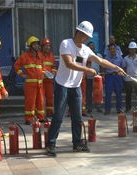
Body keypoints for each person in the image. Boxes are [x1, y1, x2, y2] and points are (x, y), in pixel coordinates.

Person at [46, 21, 126, 156]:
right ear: (79, 32)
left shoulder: (85, 49)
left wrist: (116, 67)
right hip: (62, 86)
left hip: (76, 87)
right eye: (85, 36)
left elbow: (100, 61)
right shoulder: (66, 44)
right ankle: (51, 144)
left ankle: (77, 143)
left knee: (77, 117)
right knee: (58, 116)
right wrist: (87, 69)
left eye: (87, 37)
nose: (86, 39)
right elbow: (69, 63)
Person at [14, 36, 45, 125]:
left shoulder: (40, 56)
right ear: (30, 46)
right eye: (34, 44)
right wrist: (21, 74)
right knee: (30, 102)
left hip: (40, 84)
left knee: (40, 101)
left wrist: (43, 73)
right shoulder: (25, 56)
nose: (36, 46)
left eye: (37, 44)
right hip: (30, 84)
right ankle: (29, 118)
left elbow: (42, 67)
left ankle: (41, 117)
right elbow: (16, 65)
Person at [103, 43, 125, 115]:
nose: (112, 50)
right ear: (109, 50)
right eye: (111, 49)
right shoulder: (106, 59)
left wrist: (121, 74)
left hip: (117, 77)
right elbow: (104, 68)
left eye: (113, 48)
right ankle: (107, 110)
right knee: (108, 93)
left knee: (119, 93)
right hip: (109, 76)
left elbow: (123, 67)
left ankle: (119, 109)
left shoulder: (120, 58)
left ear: (116, 49)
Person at [123, 41, 137, 113]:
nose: (132, 50)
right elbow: (124, 68)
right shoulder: (125, 58)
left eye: (133, 49)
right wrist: (125, 75)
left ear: (136, 49)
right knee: (128, 94)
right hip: (128, 79)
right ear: (129, 50)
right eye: (131, 49)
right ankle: (128, 108)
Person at [40, 38, 57, 117]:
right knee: (41, 98)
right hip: (41, 80)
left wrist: (53, 72)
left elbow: (54, 66)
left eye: (49, 46)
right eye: (46, 45)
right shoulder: (39, 55)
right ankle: (41, 114)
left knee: (50, 97)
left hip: (49, 80)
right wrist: (43, 73)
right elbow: (37, 67)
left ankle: (50, 112)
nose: (48, 47)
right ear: (42, 46)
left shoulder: (51, 56)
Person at [86, 42, 103, 114]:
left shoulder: (98, 55)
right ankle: (89, 108)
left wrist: (101, 75)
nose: (91, 47)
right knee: (88, 93)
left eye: (93, 46)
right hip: (88, 77)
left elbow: (101, 65)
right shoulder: (85, 56)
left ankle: (98, 107)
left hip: (97, 78)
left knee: (98, 93)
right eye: (90, 46)